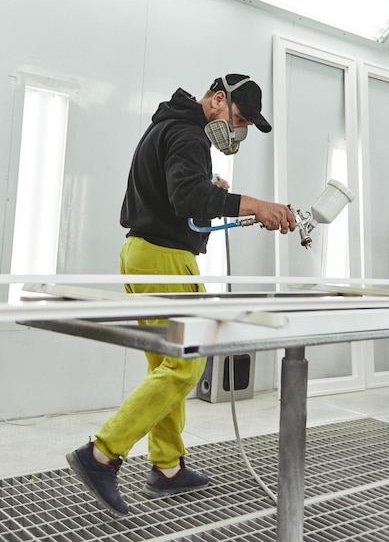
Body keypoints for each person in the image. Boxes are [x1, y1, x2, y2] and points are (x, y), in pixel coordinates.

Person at [65, 73, 296, 516]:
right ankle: (100, 455)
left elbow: (178, 194)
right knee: (187, 364)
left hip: (140, 253)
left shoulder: (169, 125)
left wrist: (215, 193)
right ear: (216, 100)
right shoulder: (189, 134)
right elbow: (187, 195)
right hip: (164, 259)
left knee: (165, 363)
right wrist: (257, 204)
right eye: (239, 117)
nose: (239, 129)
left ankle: (167, 466)